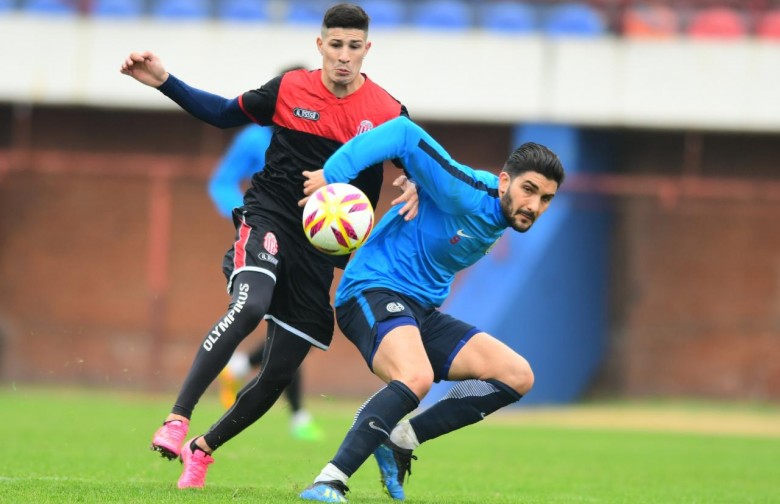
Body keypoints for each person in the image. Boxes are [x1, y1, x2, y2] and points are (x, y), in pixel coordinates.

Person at [120, 3, 418, 489]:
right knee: (250, 304)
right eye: (335, 45)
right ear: (320, 45)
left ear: (367, 50)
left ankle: (203, 449)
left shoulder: (388, 113)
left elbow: (420, 159)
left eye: (353, 46)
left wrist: (416, 183)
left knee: (278, 373)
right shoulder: (289, 89)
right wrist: (164, 80)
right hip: (270, 217)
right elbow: (220, 114)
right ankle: (177, 419)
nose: (344, 56)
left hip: (320, 250)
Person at [296, 115, 565, 502]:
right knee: (416, 377)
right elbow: (403, 134)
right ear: (504, 181)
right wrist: (335, 174)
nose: (534, 205)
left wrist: (418, 181)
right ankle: (329, 481)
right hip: (370, 289)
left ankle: (402, 438)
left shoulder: (502, 214)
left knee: (517, 375)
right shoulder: (466, 191)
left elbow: (428, 182)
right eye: (529, 190)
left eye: (545, 199)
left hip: (420, 310)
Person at [210, 117, 323, 441]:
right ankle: (299, 416)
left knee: (298, 327)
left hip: (306, 245)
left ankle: (240, 367)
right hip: (267, 242)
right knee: (291, 325)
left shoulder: (322, 137)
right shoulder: (253, 139)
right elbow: (222, 181)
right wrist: (250, 221)